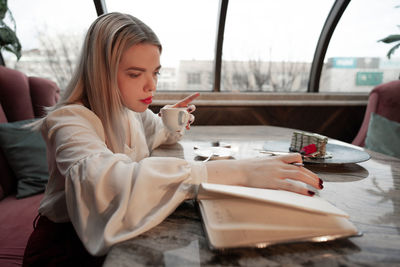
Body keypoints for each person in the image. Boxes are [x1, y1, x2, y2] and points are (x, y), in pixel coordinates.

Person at [23, 12, 323, 266]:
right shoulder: (69, 121)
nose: (151, 84)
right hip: (63, 248)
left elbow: (159, 134)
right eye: (135, 74)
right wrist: (240, 171)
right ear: (100, 72)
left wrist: (172, 119)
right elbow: (102, 180)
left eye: (155, 72)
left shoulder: (130, 112)